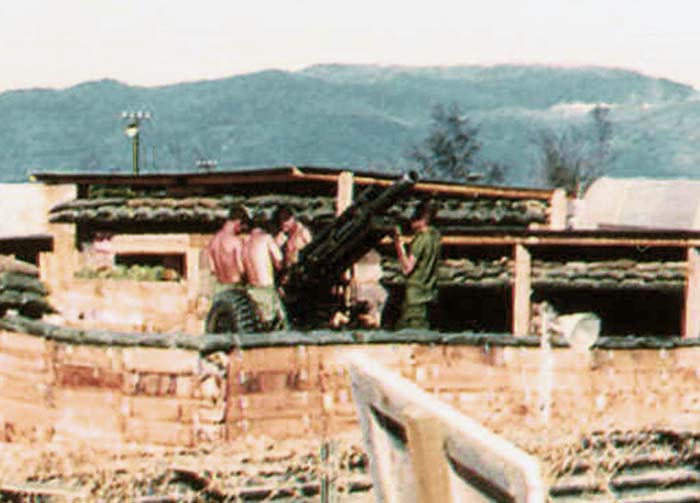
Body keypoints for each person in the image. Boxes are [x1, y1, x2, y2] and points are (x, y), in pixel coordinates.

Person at [393, 201, 441, 330]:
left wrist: (399, 246)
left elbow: (407, 268)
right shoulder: (435, 236)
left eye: (415, 218)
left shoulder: (421, 240)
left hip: (415, 297)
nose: (411, 223)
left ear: (423, 219)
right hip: (428, 293)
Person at [242, 215, 288, 329]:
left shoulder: (245, 242)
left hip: (251, 289)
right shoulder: (266, 238)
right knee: (280, 320)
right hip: (266, 287)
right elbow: (279, 262)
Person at [205, 205, 248, 291]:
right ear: (238, 222)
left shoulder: (213, 241)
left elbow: (212, 269)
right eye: (242, 227)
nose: (240, 231)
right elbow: (241, 268)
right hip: (235, 287)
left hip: (219, 288)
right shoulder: (236, 241)